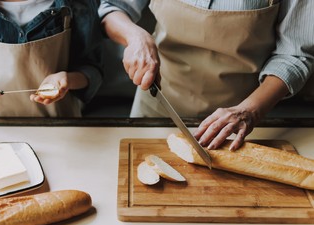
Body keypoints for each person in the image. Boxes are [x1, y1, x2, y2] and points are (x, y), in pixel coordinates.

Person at [99, 0, 314, 151]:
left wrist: (249, 110)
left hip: (240, 122)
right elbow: (112, 9)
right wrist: (135, 35)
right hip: (157, 104)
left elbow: (294, 54)